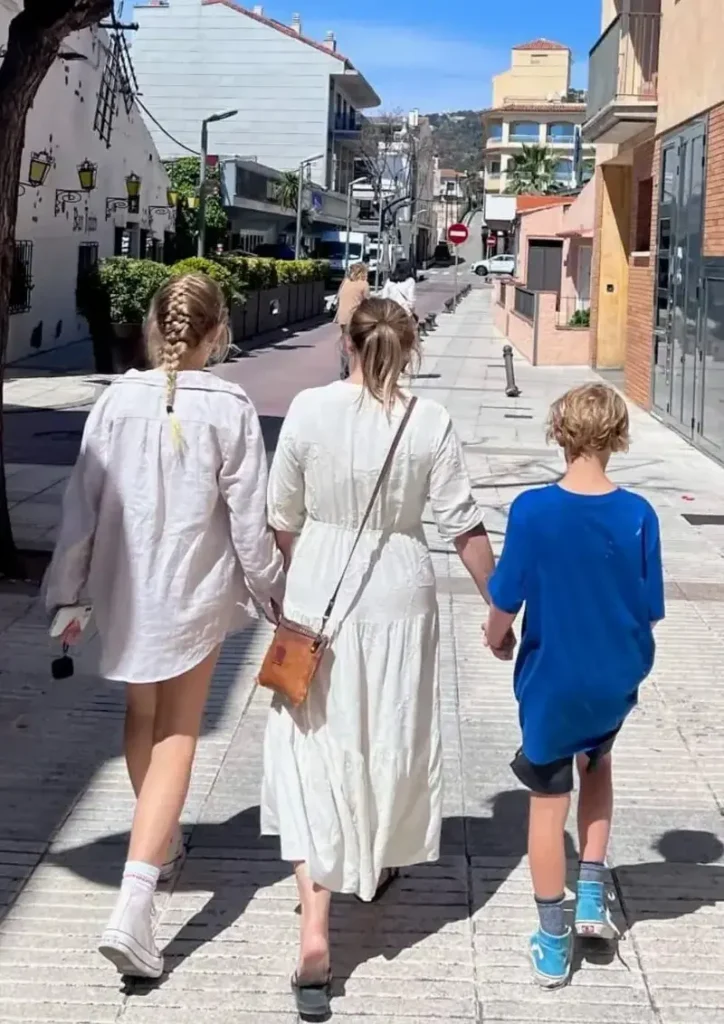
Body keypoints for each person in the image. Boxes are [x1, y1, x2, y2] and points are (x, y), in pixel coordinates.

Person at [43, 273, 284, 979]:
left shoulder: (116, 401)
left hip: (124, 592)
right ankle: (136, 901)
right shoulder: (230, 405)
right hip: (194, 595)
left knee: (142, 717)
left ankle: (163, 843)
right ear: (217, 332)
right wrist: (273, 591)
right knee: (180, 729)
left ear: (155, 329)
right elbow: (248, 518)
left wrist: (66, 594)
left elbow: (79, 508)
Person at [262, 296, 497, 1017]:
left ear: (349, 345)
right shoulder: (430, 422)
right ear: (410, 350)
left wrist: (304, 582)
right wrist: (501, 603)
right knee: (384, 736)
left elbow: (282, 516)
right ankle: (373, 860)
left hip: (319, 593)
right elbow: (462, 524)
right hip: (400, 589)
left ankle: (313, 927)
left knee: (312, 752)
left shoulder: (307, 411)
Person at [485, 383, 665, 989]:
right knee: (600, 762)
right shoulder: (640, 514)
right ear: (617, 437)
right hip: (615, 676)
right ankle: (591, 893)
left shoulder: (534, 511)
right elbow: (650, 607)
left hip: (552, 677)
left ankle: (552, 936)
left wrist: (495, 636)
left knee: (546, 797)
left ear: (559, 434)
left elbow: (505, 600)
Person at [334, 262, 370, 380]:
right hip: (354, 316)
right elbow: (368, 302)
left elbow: (338, 296)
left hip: (342, 316)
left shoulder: (345, 282)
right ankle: (359, 369)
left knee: (345, 340)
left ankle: (344, 368)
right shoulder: (364, 284)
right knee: (360, 342)